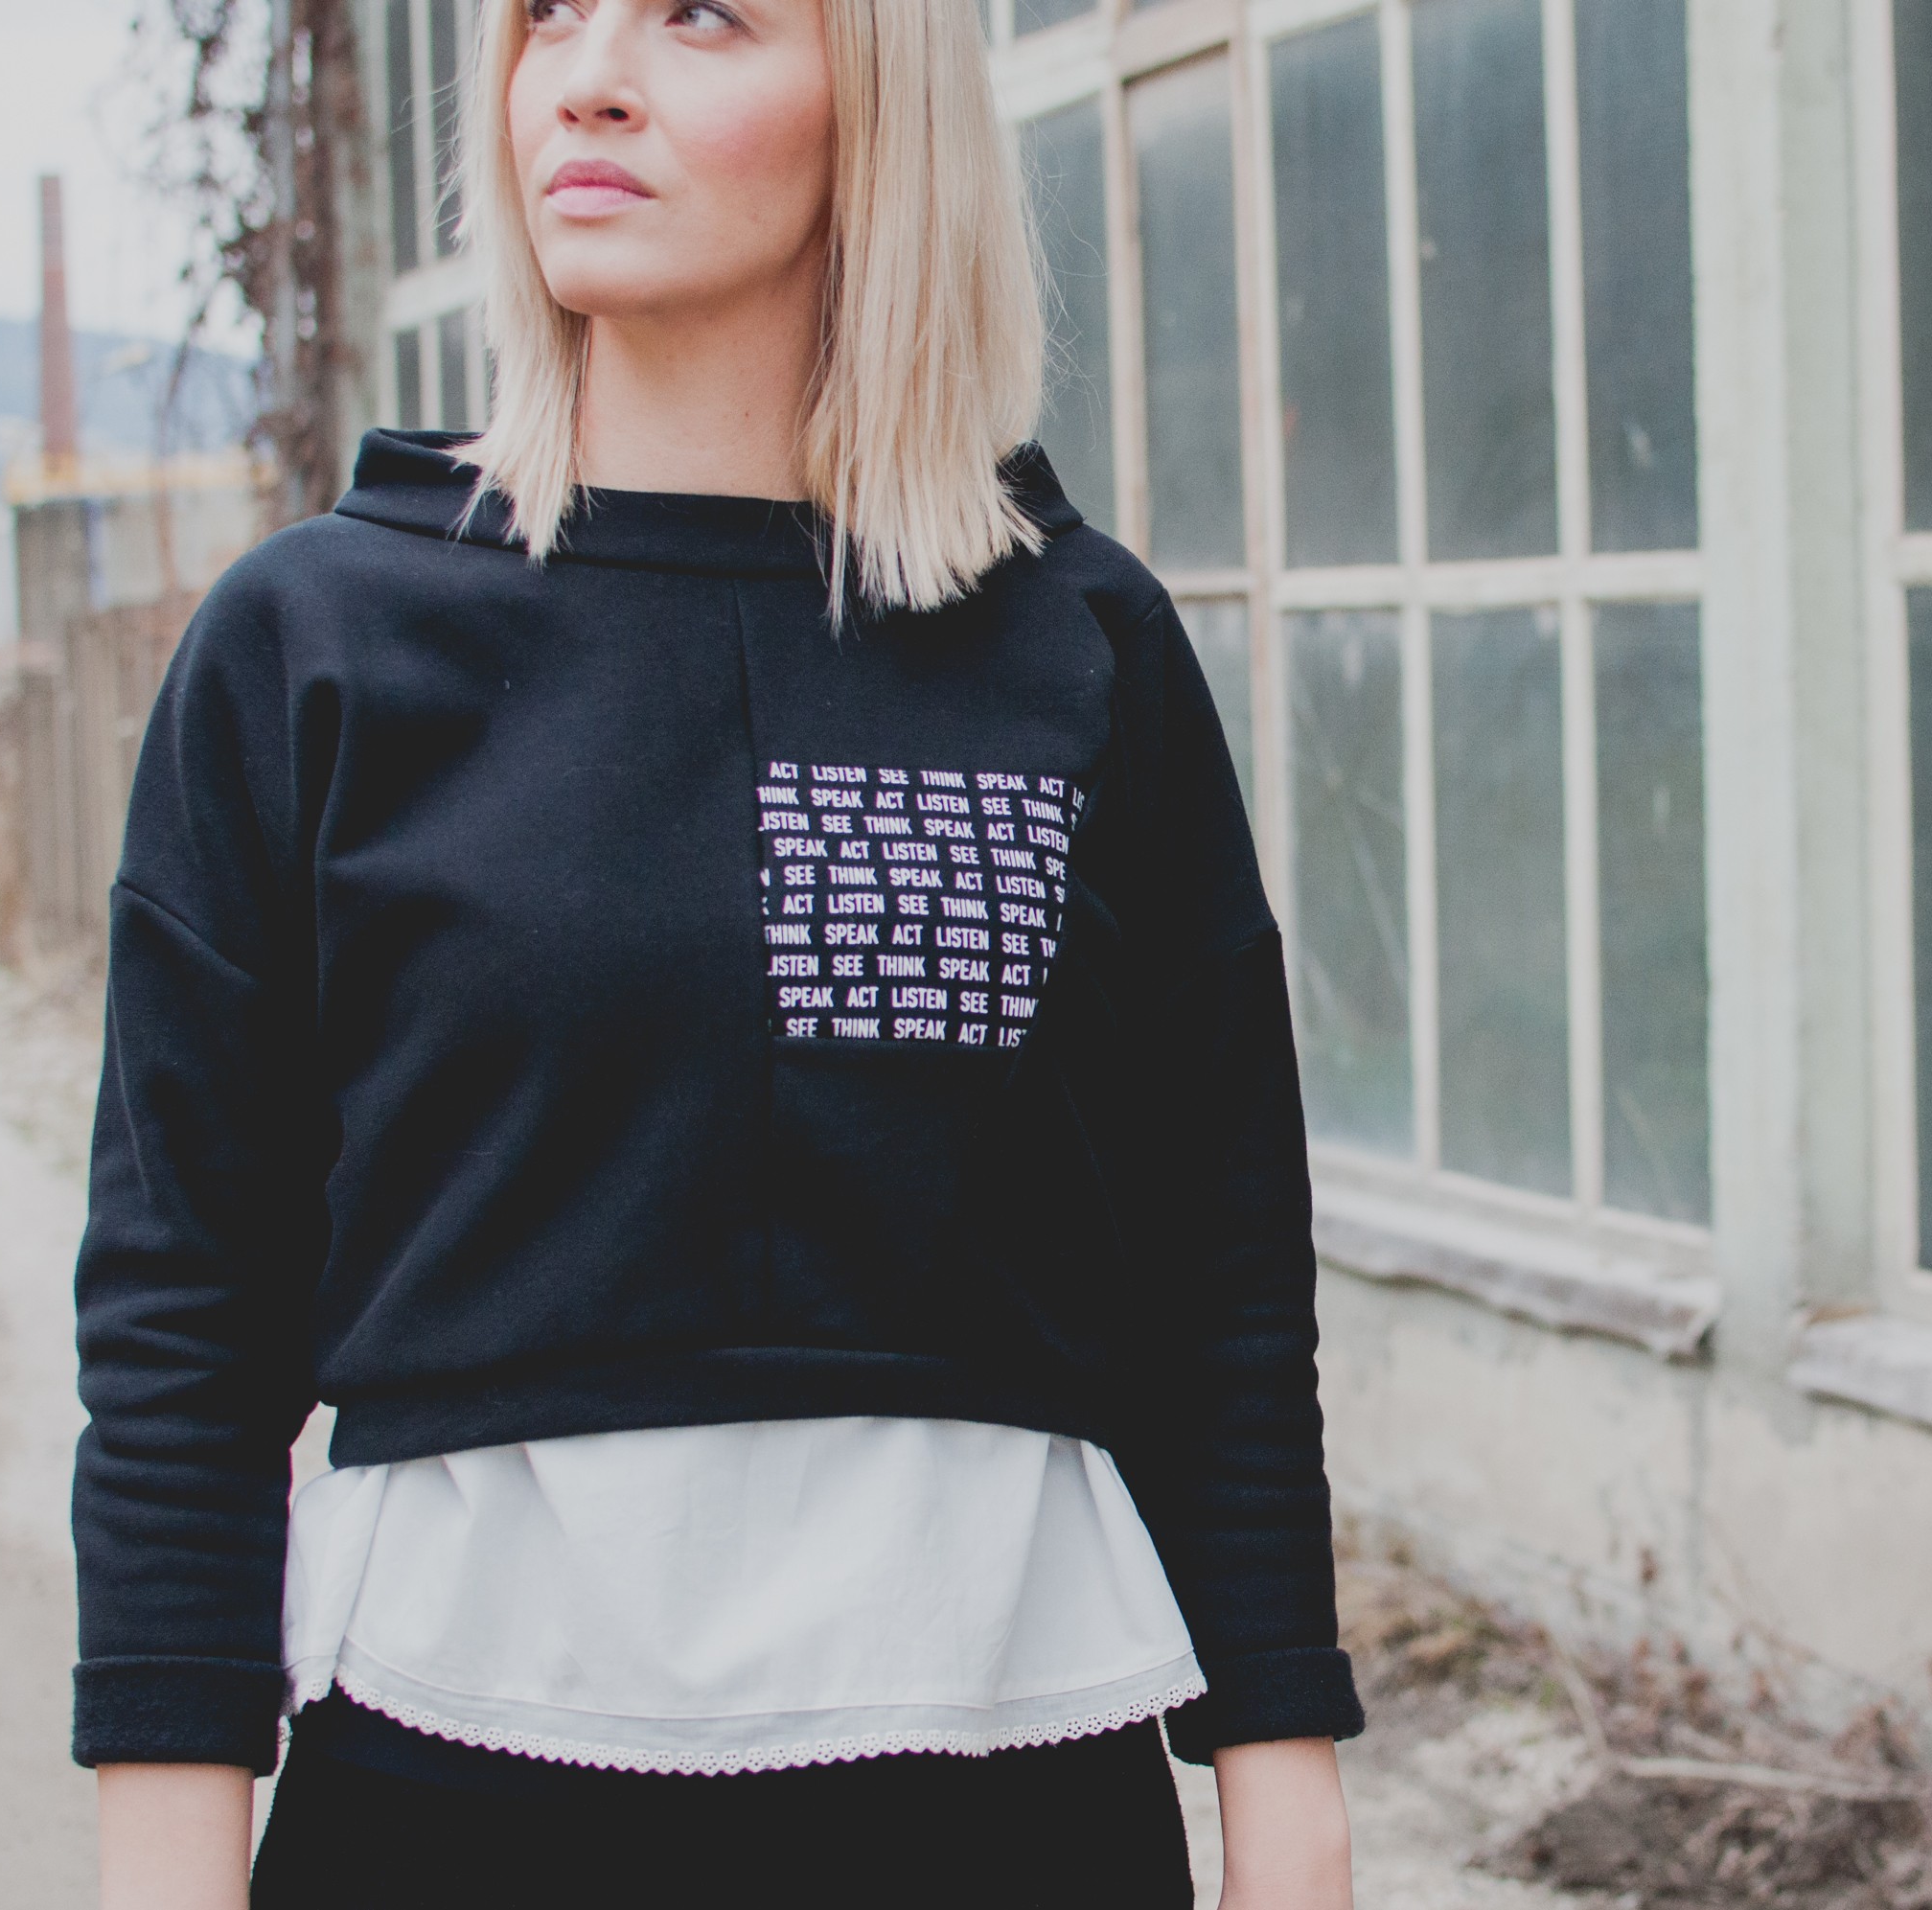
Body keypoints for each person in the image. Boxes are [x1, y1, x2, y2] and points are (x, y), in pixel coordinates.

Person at [71, 1, 1362, 1902]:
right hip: (452, 1790)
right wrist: (166, 1867)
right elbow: (188, 1310)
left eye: (698, 14)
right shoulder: (313, 643)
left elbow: (1217, 1266)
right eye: (548, 17)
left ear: (878, 100)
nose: (589, 77)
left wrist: (1287, 1798)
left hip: (1006, 1798)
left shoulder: (1077, 644)